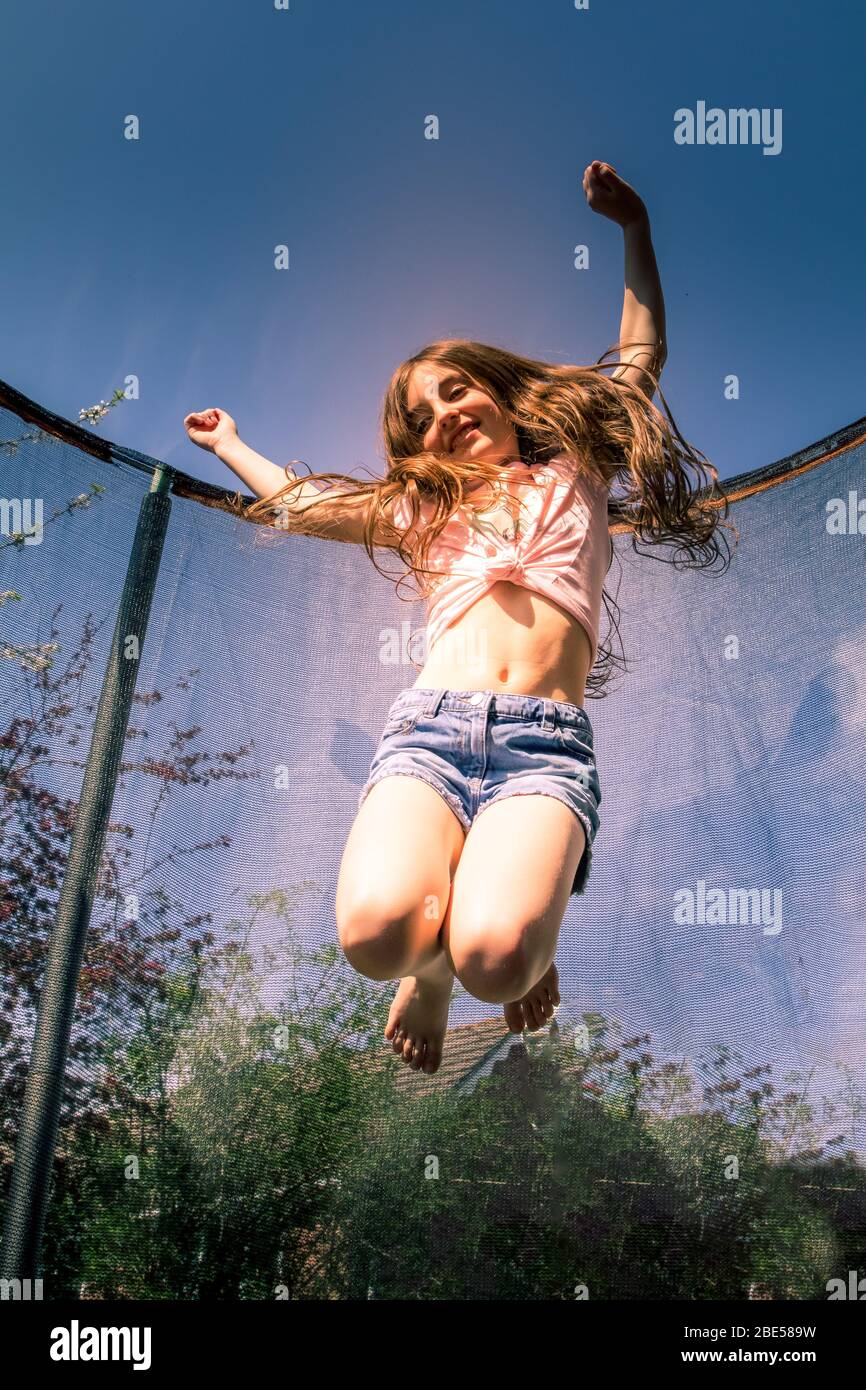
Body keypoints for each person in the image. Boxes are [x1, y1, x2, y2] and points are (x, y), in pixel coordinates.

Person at [184, 161, 735, 1077]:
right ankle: (427, 969)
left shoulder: (577, 468)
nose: (442, 416)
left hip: (545, 746)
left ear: (499, 392)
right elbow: (305, 502)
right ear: (414, 449)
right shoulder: (424, 511)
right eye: (419, 418)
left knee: (501, 959)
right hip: (429, 737)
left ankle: (491, 941)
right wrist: (231, 442)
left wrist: (633, 227)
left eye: (454, 391)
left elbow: (640, 358)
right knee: (374, 938)